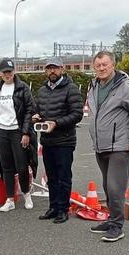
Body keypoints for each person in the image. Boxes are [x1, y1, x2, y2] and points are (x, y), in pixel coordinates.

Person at [86, 51, 129, 242]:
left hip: (119, 145)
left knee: (114, 187)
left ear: (113, 65)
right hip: (100, 145)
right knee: (106, 185)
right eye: (98, 65)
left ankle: (117, 226)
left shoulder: (124, 86)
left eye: (105, 64)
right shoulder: (94, 85)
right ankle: (111, 219)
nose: (101, 68)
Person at [33, 56, 83, 224]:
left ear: (62, 69)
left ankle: (63, 209)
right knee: (52, 177)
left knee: (63, 176)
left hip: (65, 141)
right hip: (47, 141)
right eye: (49, 68)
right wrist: (36, 117)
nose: (52, 71)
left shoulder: (71, 88)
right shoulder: (42, 91)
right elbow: (38, 110)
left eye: (55, 68)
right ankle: (53, 207)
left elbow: (77, 114)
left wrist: (57, 123)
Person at [0, 58, 36, 212]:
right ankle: (9, 198)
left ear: (14, 71)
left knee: (22, 166)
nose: (7, 74)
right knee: (6, 167)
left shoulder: (23, 88)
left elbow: (30, 110)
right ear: (0, 73)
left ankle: (26, 194)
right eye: (4, 72)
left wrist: (25, 132)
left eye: (9, 71)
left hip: (17, 131)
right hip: (0, 131)